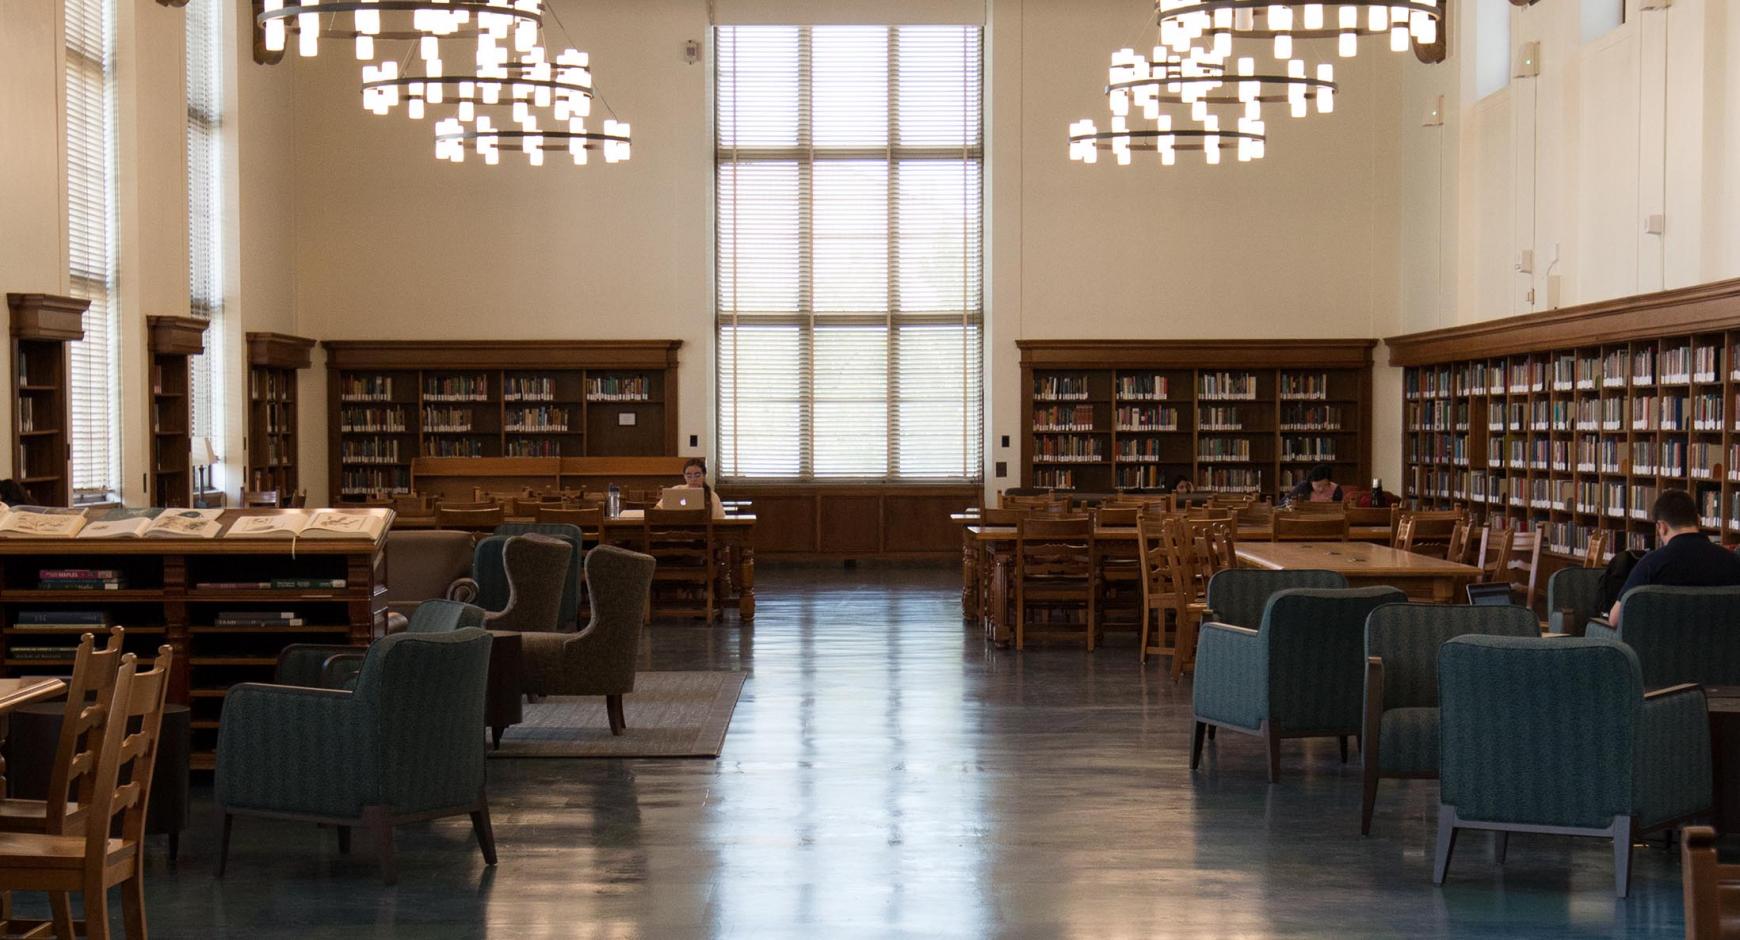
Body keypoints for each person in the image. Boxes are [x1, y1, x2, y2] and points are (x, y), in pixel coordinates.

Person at [1608, 489, 1740, 624]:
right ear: (1698, 521)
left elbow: (1616, 619)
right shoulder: (1733, 561)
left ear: (1662, 527)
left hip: (1660, 643)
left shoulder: (1651, 564)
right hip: (1721, 643)